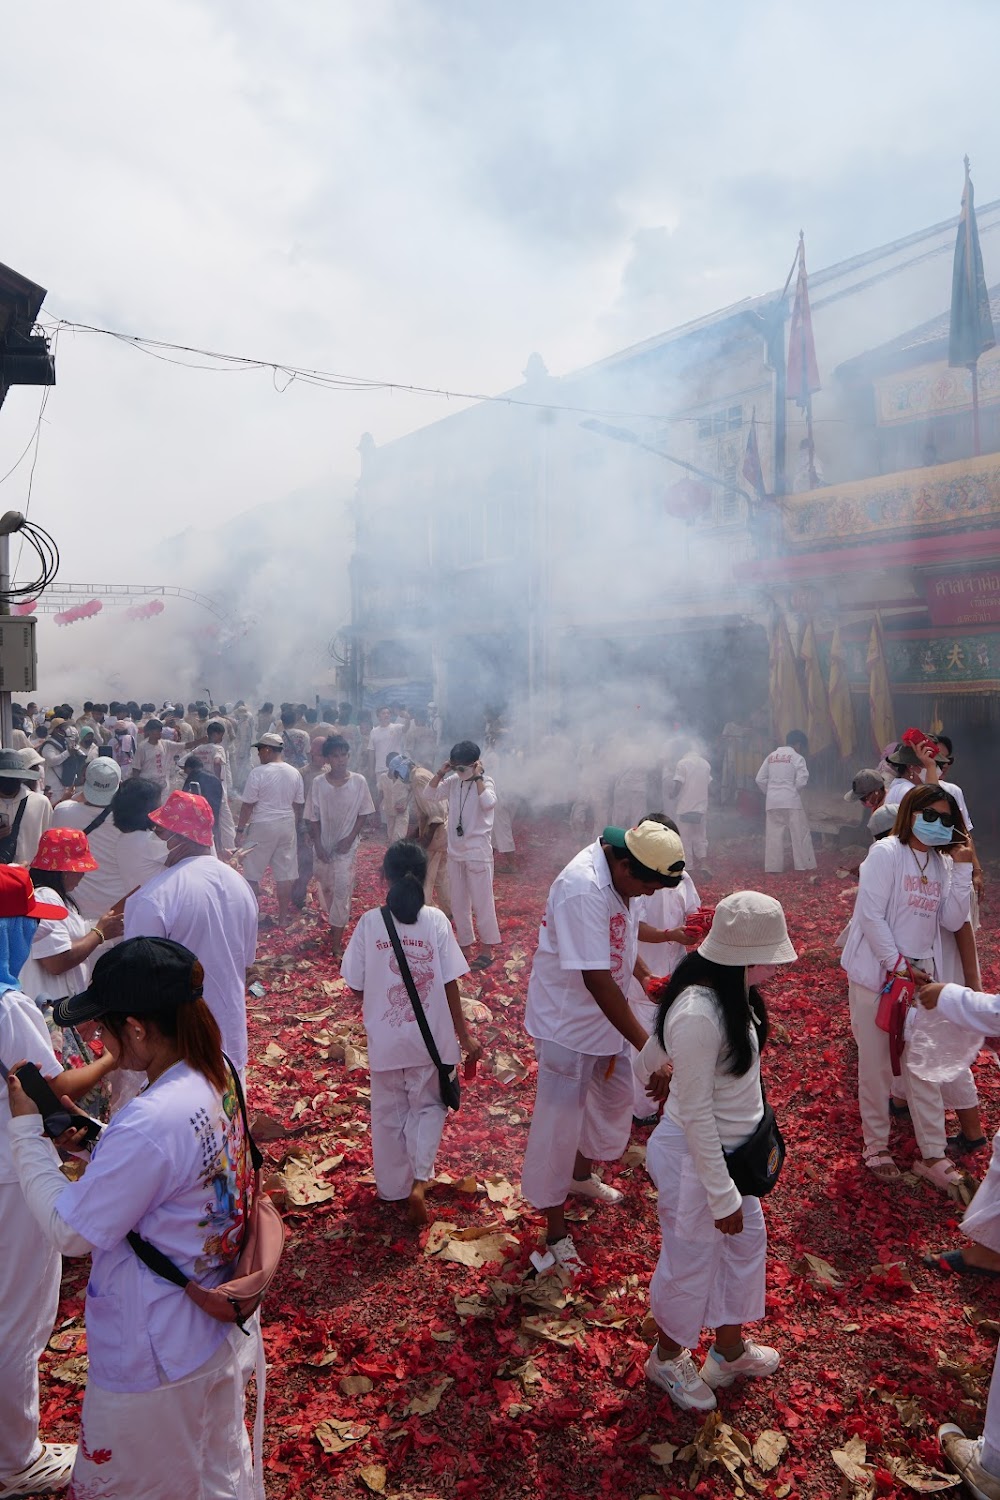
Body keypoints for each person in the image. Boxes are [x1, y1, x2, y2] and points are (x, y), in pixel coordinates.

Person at [8, 937, 263, 1500]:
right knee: (217, 1473)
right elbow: (175, 1175)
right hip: (214, 1320)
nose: (97, 1039)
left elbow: (71, 1231)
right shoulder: (216, 1071)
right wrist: (94, 1143)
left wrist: (27, 1130)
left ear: (138, 1028)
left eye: (103, 1026)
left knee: (134, 1486)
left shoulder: (150, 1120)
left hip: (156, 1348)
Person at [635, 892, 795, 1411]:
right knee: (690, 1261)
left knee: (743, 1250)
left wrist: (666, 1069)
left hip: (733, 1154)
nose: (775, 965)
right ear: (747, 957)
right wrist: (720, 1193)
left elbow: (653, 1059)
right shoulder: (700, 1011)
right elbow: (696, 1113)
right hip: (697, 1160)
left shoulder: (734, 990)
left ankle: (727, 1351)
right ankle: (666, 1359)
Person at [520, 822, 686, 1272]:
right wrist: (650, 1051)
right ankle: (554, 1231)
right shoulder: (582, 889)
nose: (647, 896)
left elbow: (620, 939)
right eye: (646, 886)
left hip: (603, 1020)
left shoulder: (624, 877)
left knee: (609, 1104)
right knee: (559, 1126)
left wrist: (646, 976)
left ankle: (578, 1177)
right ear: (625, 862)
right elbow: (595, 978)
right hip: (567, 1025)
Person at [0, 866, 116, 1498]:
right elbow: (46, 1090)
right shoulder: (9, 1006)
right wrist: (117, 1056)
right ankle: (15, 1459)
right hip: (8, 1180)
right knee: (18, 1317)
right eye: (22, 926)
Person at [840, 784, 973, 1189]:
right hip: (878, 975)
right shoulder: (886, 853)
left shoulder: (941, 864)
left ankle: (932, 1153)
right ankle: (875, 1146)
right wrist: (897, 966)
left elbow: (951, 920)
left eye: (945, 820)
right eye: (929, 816)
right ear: (910, 814)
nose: (936, 824)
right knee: (877, 1065)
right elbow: (870, 916)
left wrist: (963, 867)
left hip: (922, 978)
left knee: (924, 1066)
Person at [341, 840, 481, 1224]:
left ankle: (392, 1190)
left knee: (387, 1115)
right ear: (423, 875)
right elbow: (451, 982)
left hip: (385, 1042)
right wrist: (464, 1036)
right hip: (430, 1041)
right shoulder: (435, 920)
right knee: (427, 1108)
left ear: (384, 877)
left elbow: (354, 984)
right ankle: (420, 1181)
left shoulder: (370, 922)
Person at [124, 792, 257, 1077]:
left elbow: (136, 981)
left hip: (177, 1047)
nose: (154, 838)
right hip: (229, 1039)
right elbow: (246, 960)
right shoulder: (239, 884)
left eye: (159, 831)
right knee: (228, 1116)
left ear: (179, 837)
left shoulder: (155, 896)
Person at [627, 813, 701, 1125]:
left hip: (676, 975)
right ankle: (641, 1112)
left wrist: (698, 926)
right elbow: (633, 928)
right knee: (643, 1047)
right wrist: (670, 934)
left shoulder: (683, 878)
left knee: (674, 1040)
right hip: (645, 978)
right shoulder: (638, 880)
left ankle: (670, 1105)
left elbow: (693, 911)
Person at [20, 828, 125, 1010]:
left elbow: (71, 936)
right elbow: (57, 962)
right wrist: (99, 933)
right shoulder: (45, 897)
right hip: (50, 1010)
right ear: (63, 870)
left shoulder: (58, 899)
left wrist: (102, 930)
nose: (83, 875)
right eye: (79, 869)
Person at [427, 742, 501, 971]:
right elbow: (428, 794)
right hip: (456, 851)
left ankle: (488, 949)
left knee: (483, 903)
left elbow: (488, 803)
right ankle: (465, 945)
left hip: (477, 852)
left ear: (475, 765)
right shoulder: (452, 782)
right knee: (459, 903)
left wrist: (478, 778)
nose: (459, 772)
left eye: (463, 768)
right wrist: (441, 772)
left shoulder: (486, 783)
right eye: (455, 768)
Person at [305, 735, 376, 955]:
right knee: (326, 888)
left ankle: (337, 942)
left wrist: (350, 837)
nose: (341, 760)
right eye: (335, 756)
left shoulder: (359, 782)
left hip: (347, 848)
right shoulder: (319, 783)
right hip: (324, 846)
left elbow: (363, 813)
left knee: (342, 891)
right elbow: (312, 817)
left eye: (344, 755)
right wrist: (318, 843)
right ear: (327, 758)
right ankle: (335, 925)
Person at [236, 733, 305, 927]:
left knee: (251, 872)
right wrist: (294, 825)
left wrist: (240, 830)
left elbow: (248, 805)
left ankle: (252, 917)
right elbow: (298, 804)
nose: (258, 755)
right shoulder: (294, 772)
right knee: (285, 874)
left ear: (268, 750)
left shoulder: (259, 772)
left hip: (263, 825)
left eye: (259, 750)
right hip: (287, 824)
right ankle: (283, 918)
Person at [755, 730, 816, 873]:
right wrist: (793, 791)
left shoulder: (771, 757)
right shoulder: (797, 757)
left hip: (772, 802)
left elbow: (759, 779)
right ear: (798, 745)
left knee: (774, 836)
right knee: (800, 834)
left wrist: (770, 792)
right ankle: (802, 865)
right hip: (791, 801)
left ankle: (773, 867)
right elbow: (802, 780)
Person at [409, 760, 452, 916]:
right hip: (443, 831)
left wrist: (425, 841)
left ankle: (424, 911)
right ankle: (449, 909)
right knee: (441, 874)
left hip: (437, 833)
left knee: (427, 875)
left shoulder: (417, 779)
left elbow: (435, 815)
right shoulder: (423, 772)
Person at [0, 749, 52, 866]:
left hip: (28, 878)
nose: (8, 781)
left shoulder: (40, 803)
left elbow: (48, 845)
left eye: (12, 778)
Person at [666, 743, 713, 873]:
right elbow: (709, 785)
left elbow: (678, 784)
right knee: (700, 837)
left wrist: (672, 795)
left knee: (684, 839)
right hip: (701, 808)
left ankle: (689, 868)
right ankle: (704, 864)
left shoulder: (682, 763)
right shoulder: (705, 764)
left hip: (685, 807)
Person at [131, 718, 173, 802]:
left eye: (160, 731)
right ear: (149, 732)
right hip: (148, 785)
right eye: (157, 731)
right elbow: (136, 769)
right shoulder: (142, 747)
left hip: (161, 783)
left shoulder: (162, 744)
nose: (159, 733)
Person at [369, 706, 404, 783]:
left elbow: (406, 728)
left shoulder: (396, 727)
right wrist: (371, 769)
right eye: (383, 713)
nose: (386, 715)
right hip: (380, 769)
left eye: (388, 713)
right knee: (382, 792)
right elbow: (371, 751)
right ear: (378, 716)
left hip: (395, 767)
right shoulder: (374, 731)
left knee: (396, 792)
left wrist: (407, 718)